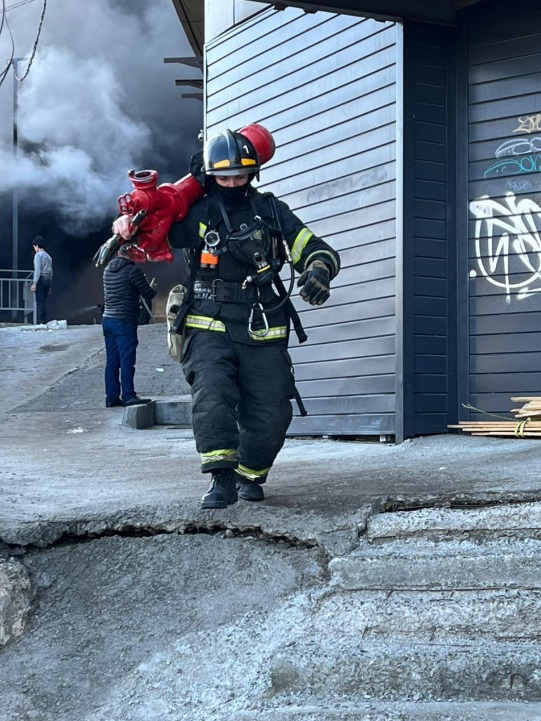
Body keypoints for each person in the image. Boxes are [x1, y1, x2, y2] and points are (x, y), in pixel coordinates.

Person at [113, 128, 340, 508]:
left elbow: (313, 247)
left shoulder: (270, 210)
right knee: (213, 395)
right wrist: (126, 226)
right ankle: (220, 480)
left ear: (253, 173)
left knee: (271, 414)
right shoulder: (197, 213)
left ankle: (249, 472)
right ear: (210, 175)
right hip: (208, 322)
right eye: (224, 177)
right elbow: (150, 237)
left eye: (241, 175)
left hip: (263, 324)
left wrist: (317, 270)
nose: (233, 183)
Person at [101, 245, 157, 407]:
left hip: (108, 321)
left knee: (112, 362)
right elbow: (148, 294)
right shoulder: (133, 271)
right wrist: (151, 286)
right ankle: (128, 396)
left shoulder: (107, 270)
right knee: (127, 361)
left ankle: (111, 397)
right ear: (131, 254)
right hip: (124, 321)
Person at [31, 237, 53, 324]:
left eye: (34, 247)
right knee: (43, 301)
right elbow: (51, 271)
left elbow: (38, 270)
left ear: (37, 245)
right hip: (47, 280)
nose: (34, 249)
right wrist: (49, 284)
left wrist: (34, 283)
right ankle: (43, 319)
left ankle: (42, 321)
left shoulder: (38, 255)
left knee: (40, 302)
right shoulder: (48, 256)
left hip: (41, 280)